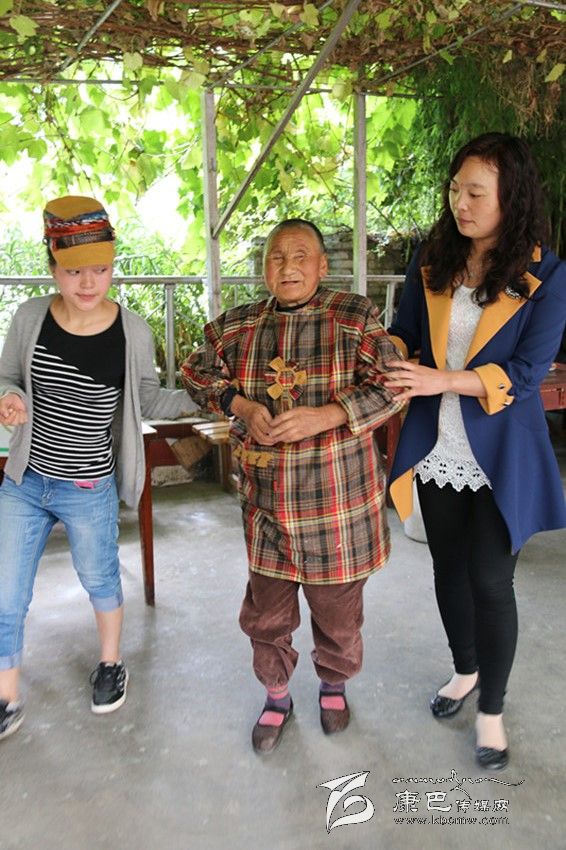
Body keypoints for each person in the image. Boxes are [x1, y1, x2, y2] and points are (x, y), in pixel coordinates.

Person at [181, 219, 404, 753]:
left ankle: (334, 685)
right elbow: (195, 371)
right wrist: (240, 405)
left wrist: (328, 414)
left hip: (337, 505)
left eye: (301, 256)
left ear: (323, 266)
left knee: (338, 615)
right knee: (267, 613)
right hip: (268, 504)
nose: (288, 267)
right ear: (264, 269)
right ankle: (277, 695)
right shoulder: (238, 326)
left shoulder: (353, 317)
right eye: (276, 258)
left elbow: (394, 385)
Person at [386, 133, 566, 770]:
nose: (460, 203)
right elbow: (405, 332)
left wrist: (439, 379)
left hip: (502, 451)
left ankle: (492, 709)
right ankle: (465, 670)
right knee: (447, 568)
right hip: (437, 443)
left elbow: (525, 374)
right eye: (455, 189)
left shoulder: (546, 275)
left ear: (510, 199)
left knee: (491, 579)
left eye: (476, 193)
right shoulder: (433, 259)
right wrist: (390, 355)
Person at [0, 195, 196, 740]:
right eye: (74, 271)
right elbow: (7, 377)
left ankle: (110, 664)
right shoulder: (29, 318)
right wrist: (10, 398)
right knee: (6, 593)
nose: (88, 283)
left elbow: (149, 399)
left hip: (88, 485)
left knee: (100, 579)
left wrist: (210, 397)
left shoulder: (132, 331)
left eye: (101, 270)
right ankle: (6, 696)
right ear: (52, 267)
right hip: (25, 482)